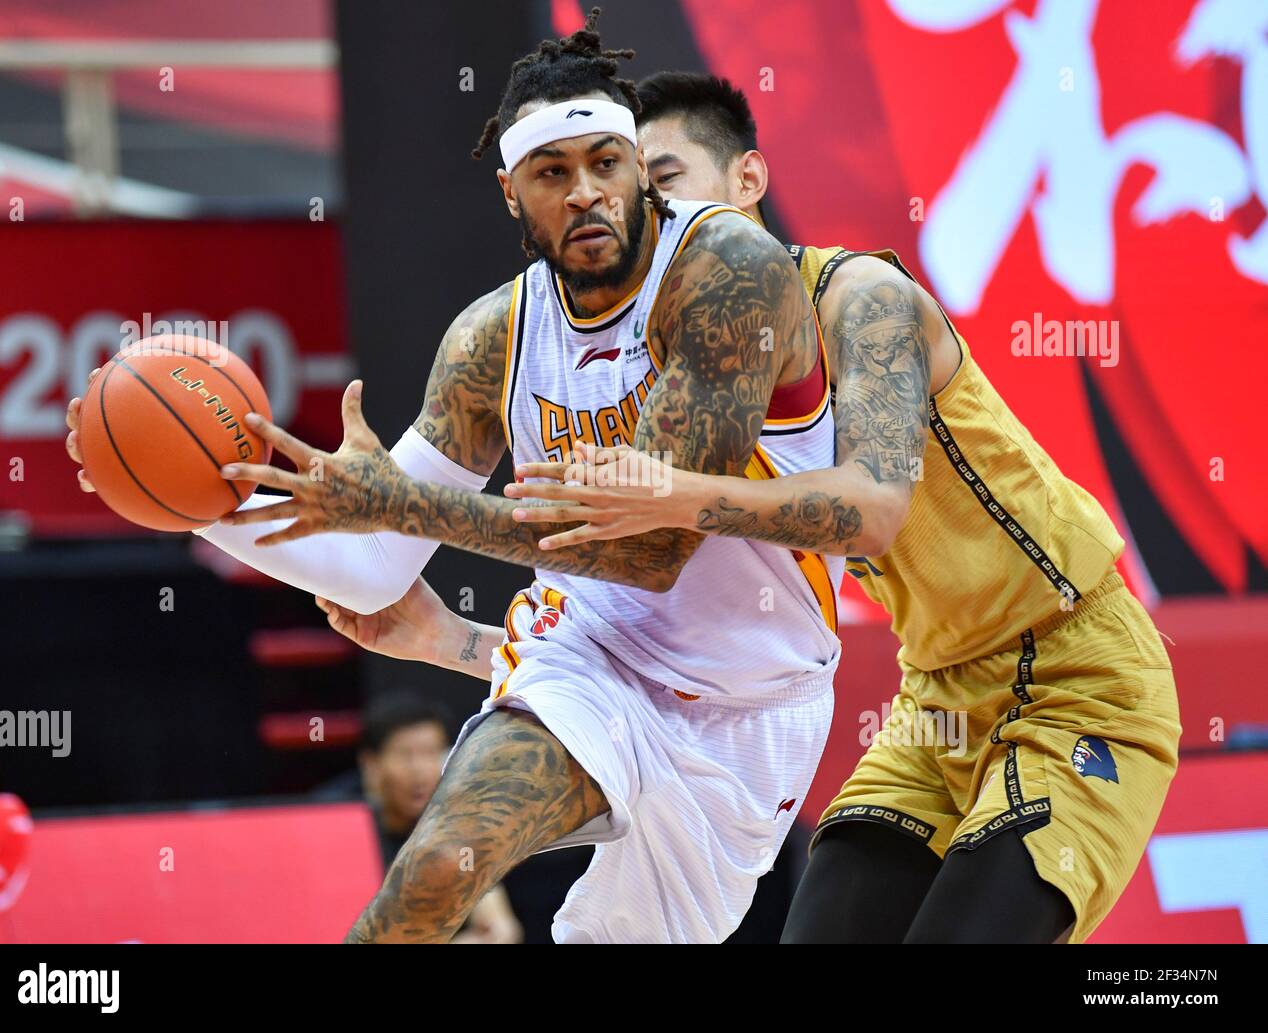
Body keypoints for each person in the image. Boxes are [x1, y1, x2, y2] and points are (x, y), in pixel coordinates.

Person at [66, 11, 844, 944]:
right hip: (586, 658)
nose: (587, 192)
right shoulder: (491, 341)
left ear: (641, 166)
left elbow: (650, 550)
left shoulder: (726, 274)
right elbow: (376, 569)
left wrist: (397, 502)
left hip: (753, 708)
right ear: (513, 194)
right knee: (437, 869)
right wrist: (205, 498)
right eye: (554, 174)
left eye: (607, 161)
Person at [495, 71, 1182, 944]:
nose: (642, 216)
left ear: (748, 181)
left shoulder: (866, 301)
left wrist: (673, 494)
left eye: (663, 182)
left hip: (1077, 676)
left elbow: (872, 509)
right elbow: (617, 639)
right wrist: (429, 619)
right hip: (935, 700)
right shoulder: (689, 382)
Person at [313, 692, 521, 944]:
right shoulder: (331, 821)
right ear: (371, 763)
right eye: (405, 755)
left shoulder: (456, 817)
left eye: (431, 753)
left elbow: (501, 928)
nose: (419, 770)